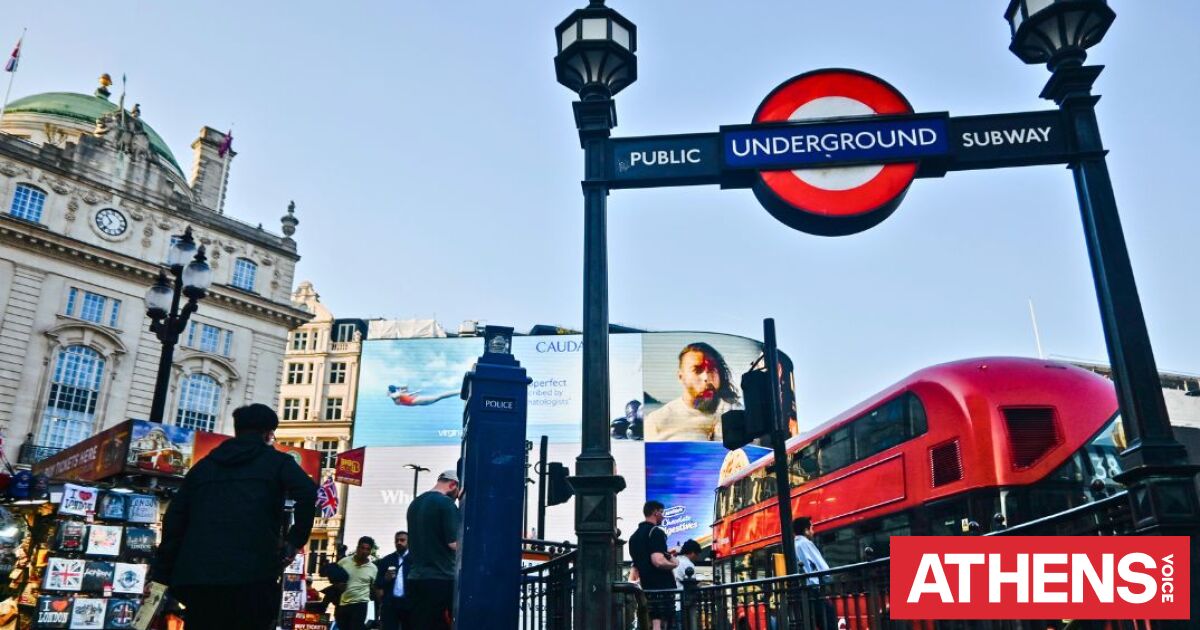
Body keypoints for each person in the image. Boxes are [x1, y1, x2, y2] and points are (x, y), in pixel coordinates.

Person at [152, 404, 317, 630]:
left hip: (199, 578)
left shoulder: (203, 467)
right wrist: (294, 541)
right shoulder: (277, 462)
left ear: (237, 430)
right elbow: (308, 492)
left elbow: (175, 519)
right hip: (252, 575)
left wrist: (162, 573)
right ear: (268, 434)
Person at [646, 343, 741, 441]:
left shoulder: (736, 413)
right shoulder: (657, 422)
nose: (706, 377)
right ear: (681, 377)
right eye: (697, 370)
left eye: (712, 369)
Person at [406, 470, 462, 630]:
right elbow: (454, 544)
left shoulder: (415, 503)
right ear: (453, 485)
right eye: (457, 492)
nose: (457, 497)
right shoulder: (446, 504)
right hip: (440, 579)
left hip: (415, 578)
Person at [629, 501, 678, 630]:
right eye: (662, 512)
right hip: (662, 587)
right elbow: (658, 561)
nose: (663, 516)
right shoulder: (656, 532)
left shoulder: (634, 537)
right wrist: (674, 564)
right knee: (662, 622)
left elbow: (637, 565)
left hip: (646, 588)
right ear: (655, 512)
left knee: (650, 620)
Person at [794, 517, 837, 630]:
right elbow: (823, 568)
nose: (813, 531)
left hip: (802, 593)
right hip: (814, 590)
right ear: (806, 530)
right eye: (812, 528)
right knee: (829, 621)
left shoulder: (794, 545)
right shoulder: (806, 543)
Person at [335, 536, 379, 630]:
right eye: (362, 548)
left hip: (361, 604)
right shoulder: (344, 562)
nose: (364, 551)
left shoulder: (373, 569)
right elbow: (334, 579)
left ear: (370, 551)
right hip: (343, 604)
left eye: (367, 549)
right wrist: (337, 585)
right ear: (357, 548)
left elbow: (374, 588)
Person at [373, 531, 410, 630]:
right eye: (396, 540)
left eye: (402, 540)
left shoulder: (415, 560)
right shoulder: (386, 560)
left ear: (409, 542)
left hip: (409, 604)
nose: (399, 542)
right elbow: (377, 584)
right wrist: (385, 579)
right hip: (390, 604)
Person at [388, 385, 458, 407]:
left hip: (417, 401)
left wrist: (415, 392)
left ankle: (458, 392)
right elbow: (396, 396)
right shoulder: (395, 395)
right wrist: (399, 389)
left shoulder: (398, 396)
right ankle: (458, 392)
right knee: (439, 397)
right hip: (417, 401)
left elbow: (406, 391)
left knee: (439, 397)